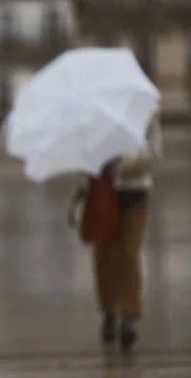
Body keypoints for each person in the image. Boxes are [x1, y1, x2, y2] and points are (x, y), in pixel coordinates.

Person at [70, 112, 163, 351]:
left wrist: (120, 163)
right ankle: (109, 311)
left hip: (135, 193)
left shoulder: (146, 111)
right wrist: (86, 183)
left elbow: (154, 155)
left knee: (129, 252)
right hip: (103, 195)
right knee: (105, 255)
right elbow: (84, 157)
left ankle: (129, 317)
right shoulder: (92, 115)